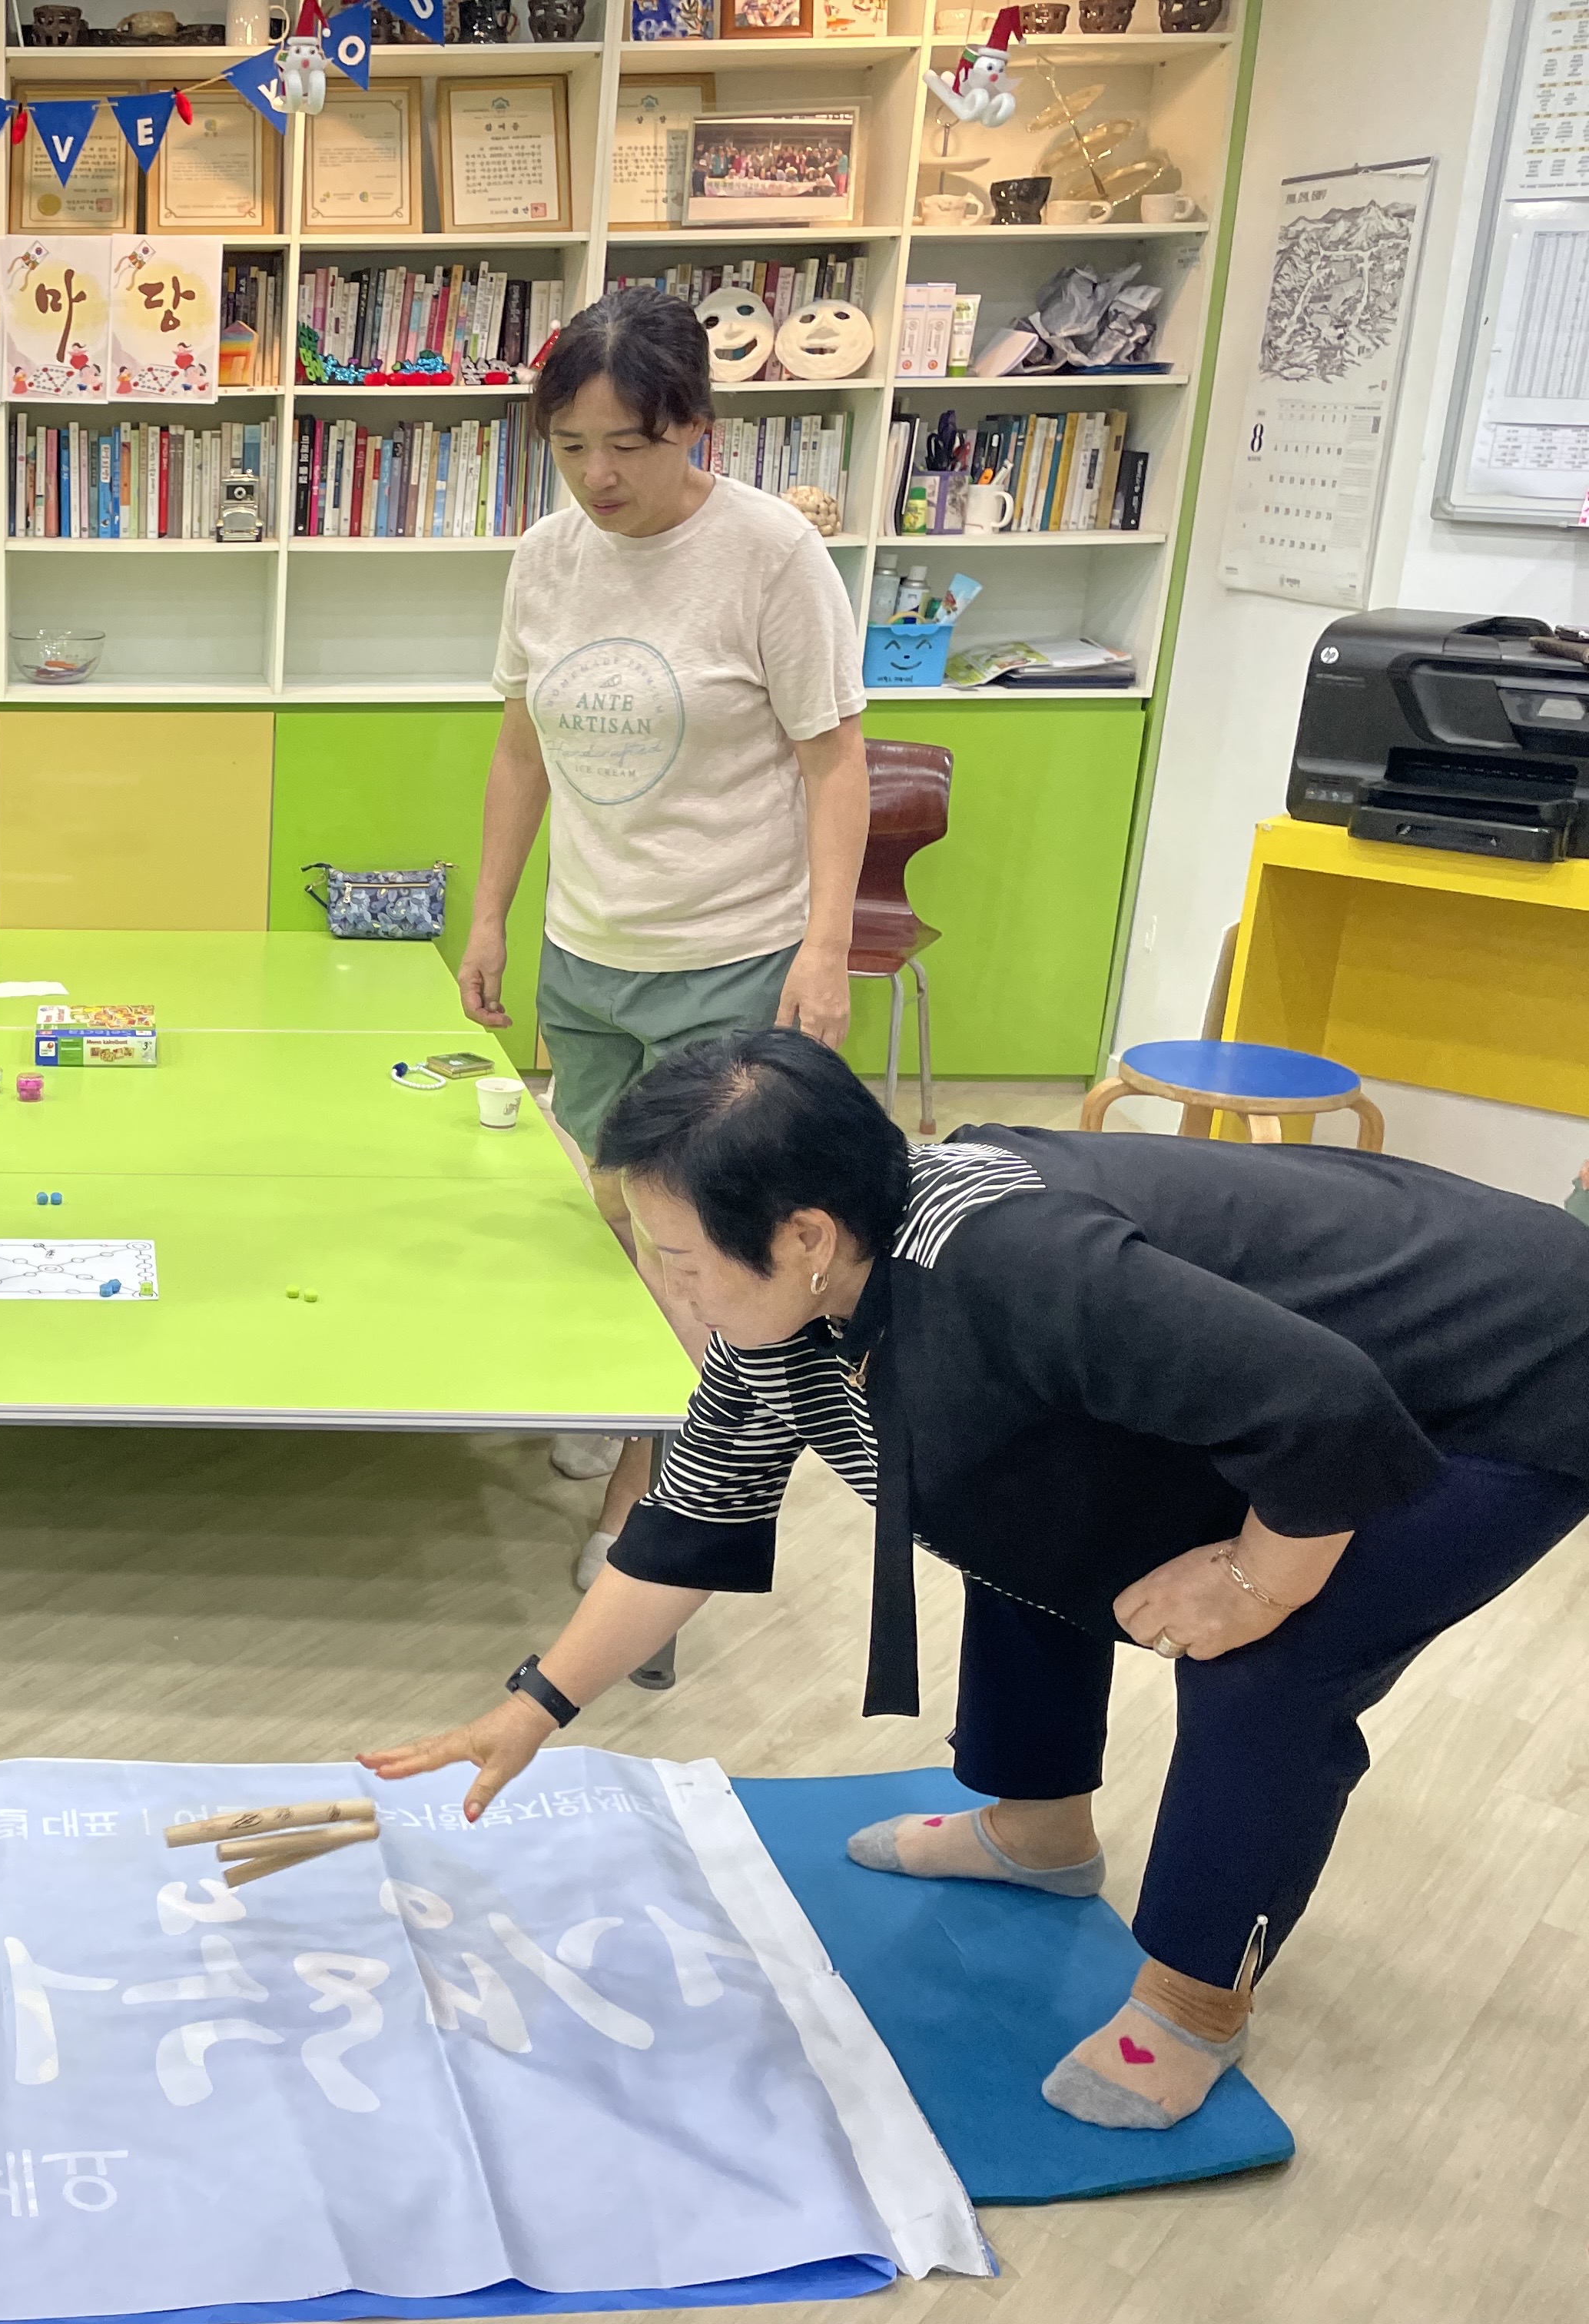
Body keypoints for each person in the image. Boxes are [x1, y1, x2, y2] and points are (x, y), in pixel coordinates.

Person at [364, 1028, 1589, 2133]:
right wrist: (534, 1706)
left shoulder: (1003, 1261)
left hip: (1504, 1366)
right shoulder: (785, 1319)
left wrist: (1251, 1581)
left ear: (804, 1237)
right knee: (1013, 1504)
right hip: (1310, 1368)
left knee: (1269, 1666)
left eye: (681, 1261)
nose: (666, 1287)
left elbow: (1326, 1409)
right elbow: (690, 1521)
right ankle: (1039, 1828)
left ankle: (1195, 2000)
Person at [454, 286, 868, 1581]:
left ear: (695, 424)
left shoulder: (770, 554)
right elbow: (520, 750)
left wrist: (823, 948)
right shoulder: (547, 556)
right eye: (570, 444)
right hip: (590, 951)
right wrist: (490, 915)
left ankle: (653, 1499)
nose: (597, 476)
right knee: (600, 1204)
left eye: (627, 444)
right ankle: (628, 1389)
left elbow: (835, 761)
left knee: (693, 1241)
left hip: (729, 952)